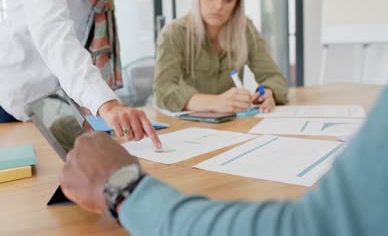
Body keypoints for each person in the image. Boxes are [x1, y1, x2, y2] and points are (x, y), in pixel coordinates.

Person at [60, 86, 388, 235]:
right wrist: (212, 99)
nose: (220, 5)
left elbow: (314, 227)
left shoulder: (242, 31)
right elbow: (165, 89)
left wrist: (127, 189)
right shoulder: (179, 32)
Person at [0, 0, 161, 148]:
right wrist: (105, 103)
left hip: (62, 90)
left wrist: (92, 101)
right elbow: (54, 32)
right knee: (37, 173)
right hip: (18, 86)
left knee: (78, 167)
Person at [154, 0, 288, 114]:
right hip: (188, 125)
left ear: (237, 2)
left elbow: (274, 77)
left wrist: (269, 92)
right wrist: (215, 102)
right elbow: (163, 89)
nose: (219, 6)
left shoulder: (245, 29)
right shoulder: (173, 33)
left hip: (234, 126)